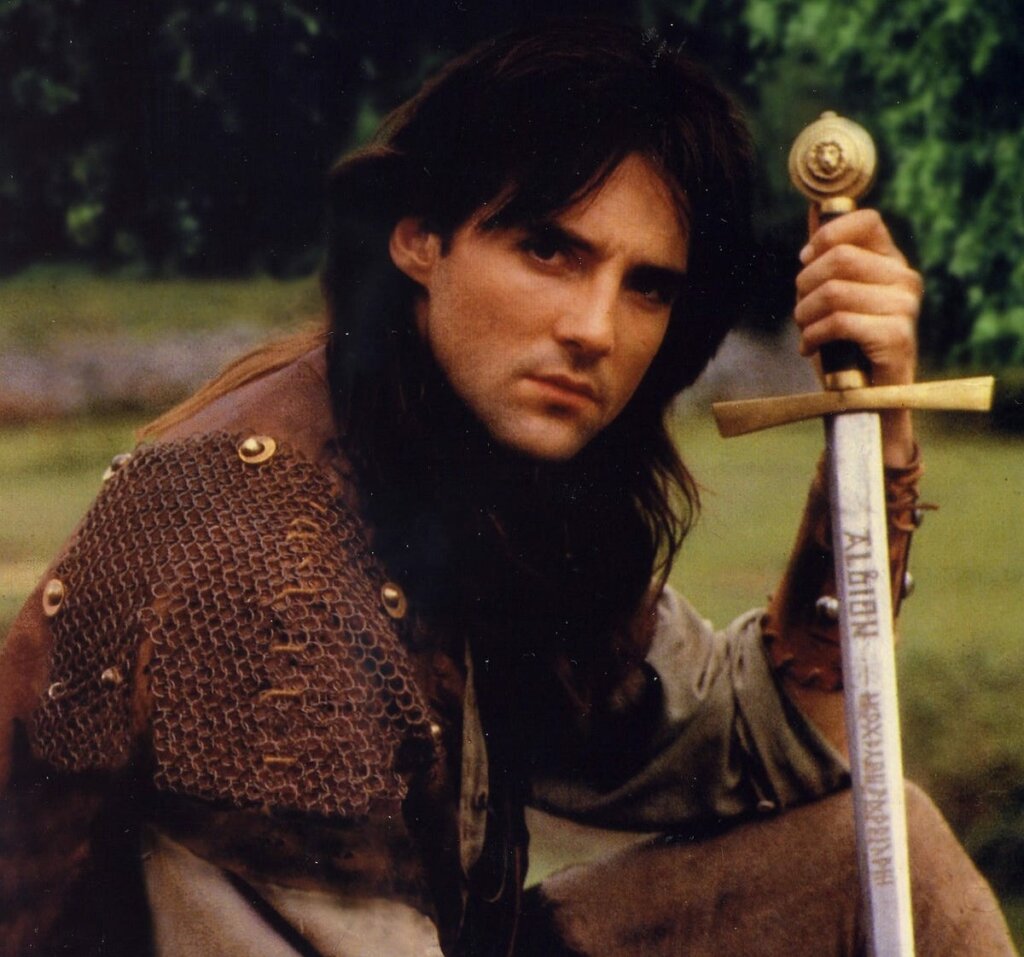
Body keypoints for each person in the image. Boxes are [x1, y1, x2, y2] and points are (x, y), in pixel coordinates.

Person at [0, 18, 1015, 957]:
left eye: (646, 286)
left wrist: (876, 435)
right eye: (548, 249)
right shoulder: (265, 575)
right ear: (419, 236)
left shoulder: (468, 475)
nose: (594, 329)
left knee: (885, 857)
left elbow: (769, 744)